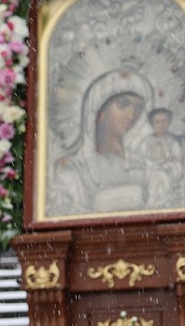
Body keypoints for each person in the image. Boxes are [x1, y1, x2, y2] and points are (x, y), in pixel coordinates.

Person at [48, 68, 152, 216]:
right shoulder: (72, 170)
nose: (132, 116)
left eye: (139, 108)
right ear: (99, 111)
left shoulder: (142, 165)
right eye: (123, 104)